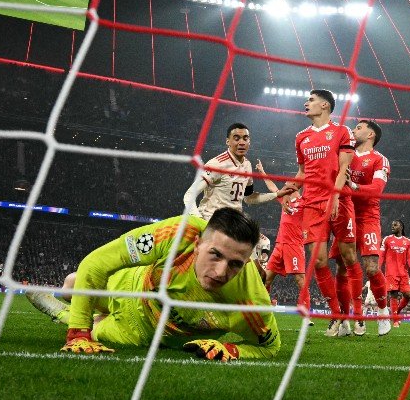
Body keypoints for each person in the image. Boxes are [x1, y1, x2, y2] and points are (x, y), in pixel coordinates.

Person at [24, 208, 279, 361]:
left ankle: (61, 313)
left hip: (140, 332)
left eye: (235, 264)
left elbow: (270, 347)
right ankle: (76, 307)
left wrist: (231, 350)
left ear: (247, 262)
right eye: (215, 255)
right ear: (198, 244)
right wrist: (77, 335)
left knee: (95, 328)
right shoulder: (181, 232)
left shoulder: (251, 301)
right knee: (73, 283)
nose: (221, 272)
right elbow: (95, 262)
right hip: (129, 285)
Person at [279, 90, 355, 332]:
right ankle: (337, 316)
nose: (306, 103)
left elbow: (343, 168)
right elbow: (303, 172)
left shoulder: (342, 131)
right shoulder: (301, 137)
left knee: (347, 259)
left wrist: (335, 195)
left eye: (311, 100)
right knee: (319, 261)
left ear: (325, 105)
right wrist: (289, 189)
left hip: (339, 200)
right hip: (311, 203)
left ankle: (357, 314)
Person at [341, 119, 393, 336]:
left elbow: (377, 189)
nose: (354, 130)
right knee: (342, 267)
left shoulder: (379, 160)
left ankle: (382, 310)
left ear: (371, 134)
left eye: (359, 128)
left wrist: (353, 185)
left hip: (368, 218)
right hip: (346, 214)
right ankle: (347, 319)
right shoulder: (346, 155)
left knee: (371, 268)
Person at [181, 123, 281, 219]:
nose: (242, 142)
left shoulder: (247, 165)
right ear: (227, 141)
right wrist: (199, 219)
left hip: (233, 223)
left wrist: (276, 194)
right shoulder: (217, 164)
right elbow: (190, 195)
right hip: (211, 221)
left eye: (245, 138)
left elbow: (248, 198)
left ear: (249, 141)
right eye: (236, 138)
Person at [265, 191, 310, 313]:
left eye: (289, 185)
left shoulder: (304, 202)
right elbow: (273, 189)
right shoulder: (285, 200)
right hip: (279, 244)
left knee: (300, 280)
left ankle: (306, 313)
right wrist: (264, 177)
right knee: (266, 279)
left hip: (294, 245)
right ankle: (264, 308)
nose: (287, 186)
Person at [379, 219, 410, 328]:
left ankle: (396, 312)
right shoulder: (387, 239)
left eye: (395, 225)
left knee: (408, 295)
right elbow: (382, 255)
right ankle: (395, 320)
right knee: (393, 294)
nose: (393, 226)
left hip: (403, 272)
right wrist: (378, 267)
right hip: (391, 272)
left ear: (401, 227)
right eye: (392, 225)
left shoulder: (407, 241)